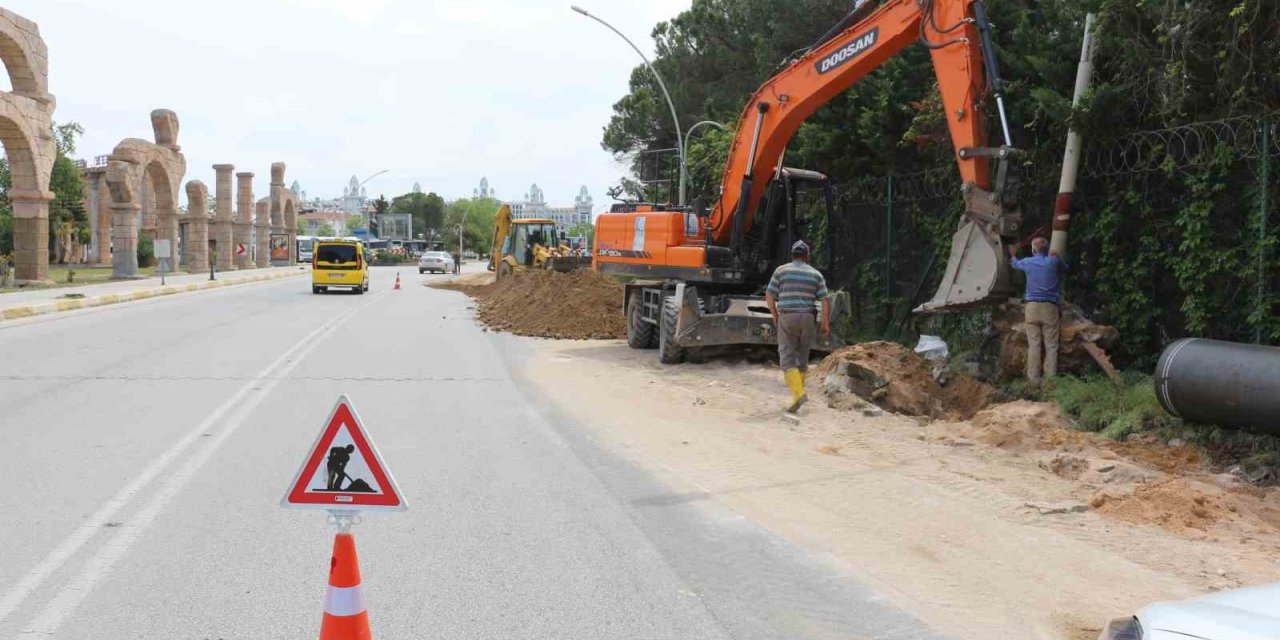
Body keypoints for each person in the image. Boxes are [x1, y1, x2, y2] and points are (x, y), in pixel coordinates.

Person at [765, 240, 831, 413]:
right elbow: (825, 300)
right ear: (807, 256)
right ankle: (797, 397)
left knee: (787, 359)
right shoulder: (816, 274)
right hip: (808, 318)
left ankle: (799, 393)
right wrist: (825, 323)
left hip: (788, 316)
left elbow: (769, 295)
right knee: (802, 357)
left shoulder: (781, 271)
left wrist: (775, 315)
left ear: (792, 255)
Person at [1008, 237, 1067, 382]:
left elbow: (1014, 264)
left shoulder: (1028, 262)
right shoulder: (1054, 262)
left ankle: (1034, 379)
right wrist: (1058, 258)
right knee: (1051, 345)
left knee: (1034, 345)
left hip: (1032, 307)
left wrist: (1012, 254)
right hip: (1049, 308)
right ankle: (1050, 380)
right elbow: (1066, 269)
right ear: (1047, 250)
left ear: (1034, 250)